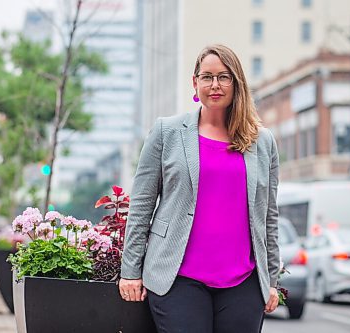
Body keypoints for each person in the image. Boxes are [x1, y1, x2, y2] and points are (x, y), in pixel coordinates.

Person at [119, 44, 280, 333]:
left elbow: (269, 216)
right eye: (206, 77)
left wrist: (273, 280)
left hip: (243, 283)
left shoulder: (263, 142)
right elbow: (141, 205)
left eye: (224, 77)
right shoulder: (166, 132)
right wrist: (130, 271)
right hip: (178, 278)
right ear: (195, 83)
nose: (215, 85)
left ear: (236, 83)